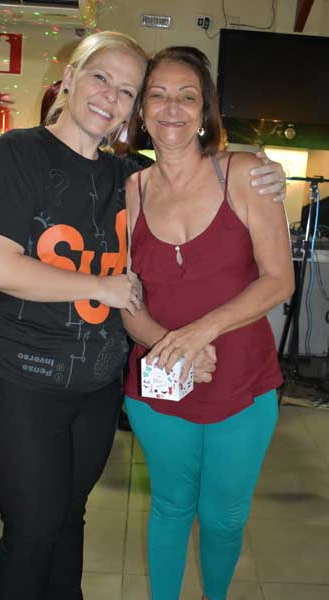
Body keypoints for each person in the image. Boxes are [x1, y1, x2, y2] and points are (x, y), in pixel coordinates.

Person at [0, 30, 287, 599]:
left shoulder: (124, 175)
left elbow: (205, 194)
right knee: (36, 530)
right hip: (20, 382)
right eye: (102, 78)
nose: (113, 97)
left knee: (71, 520)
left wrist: (269, 172)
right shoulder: (30, 155)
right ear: (70, 79)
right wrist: (120, 303)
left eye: (128, 90)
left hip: (98, 389)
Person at [122, 46, 295, 600]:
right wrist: (174, 348)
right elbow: (127, 300)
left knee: (223, 517)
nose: (171, 108)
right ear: (142, 111)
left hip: (241, 384)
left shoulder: (243, 175)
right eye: (158, 95)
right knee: (171, 506)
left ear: (205, 110)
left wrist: (201, 333)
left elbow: (279, 280)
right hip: (159, 384)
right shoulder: (132, 188)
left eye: (187, 96)